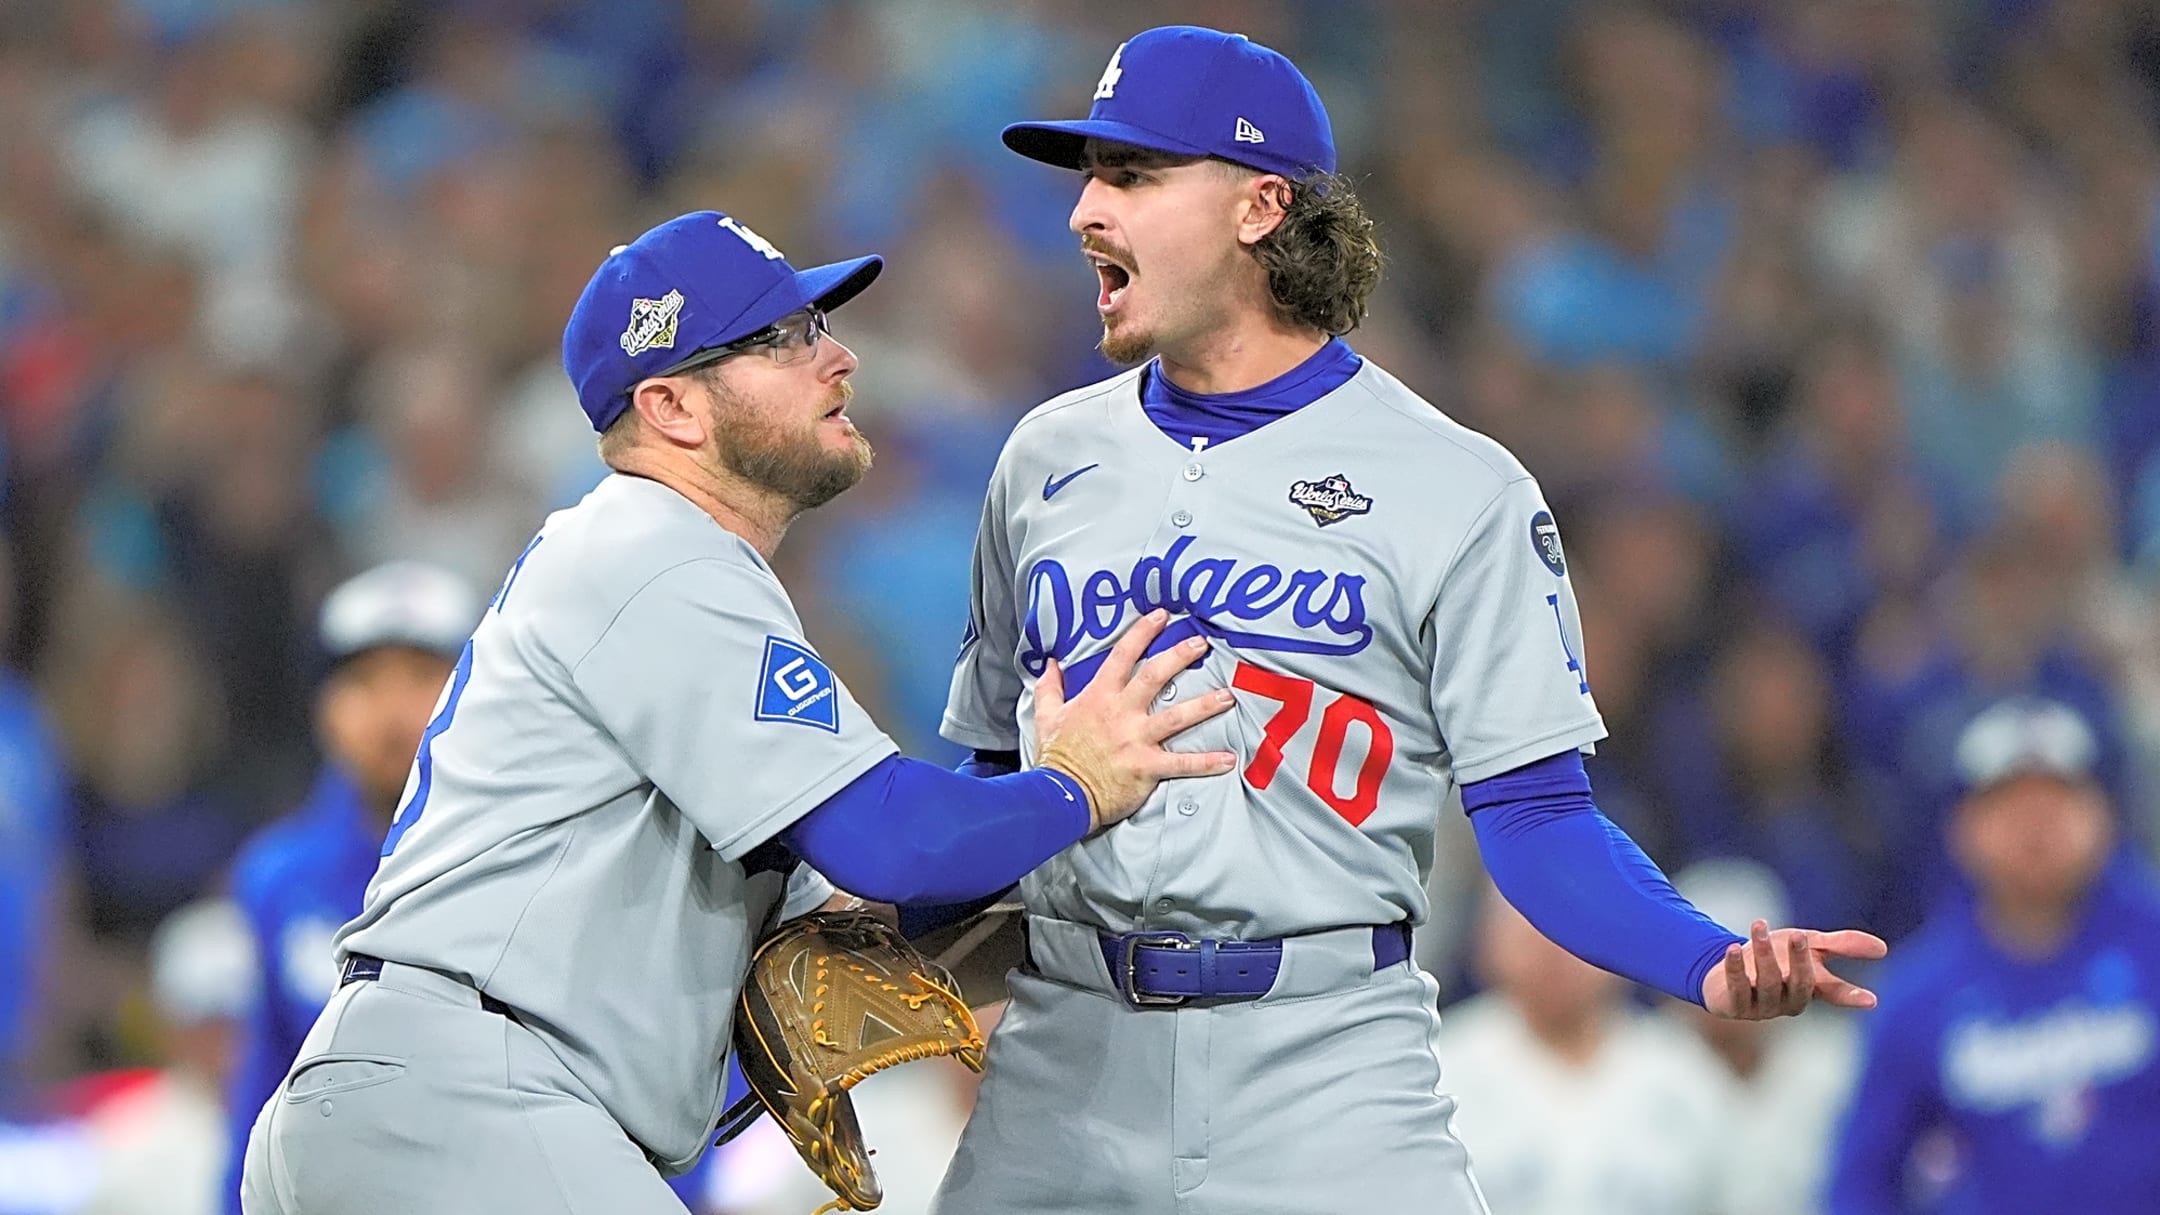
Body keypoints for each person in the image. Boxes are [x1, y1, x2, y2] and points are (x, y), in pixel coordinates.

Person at [937, 25, 1886, 1214]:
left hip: (1326, 1066)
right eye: (1089, 176)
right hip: (1062, 1062)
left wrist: (1702, 959)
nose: (1085, 210)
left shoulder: (1456, 486)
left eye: (1132, 174)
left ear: (1258, 206)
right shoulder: (1043, 460)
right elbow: (982, 778)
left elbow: (1539, 822)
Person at [238, 210, 1238, 1215]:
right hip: (468, 1103)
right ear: (672, 406)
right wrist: (1076, 785)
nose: (840, 358)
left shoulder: (656, 575)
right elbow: (892, 840)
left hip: (423, 1106)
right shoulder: (654, 550)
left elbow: (869, 903)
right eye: (785, 338)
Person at [1828, 698, 2160, 1214]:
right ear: (1961, 829)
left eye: (2058, 801)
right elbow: (1859, 1184)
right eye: (2009, 805)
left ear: (2104, 816)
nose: (2036, 826)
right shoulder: (1916, 996)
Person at [219, 561, 479, 1215]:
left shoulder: (534, 860)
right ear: (323, 710)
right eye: (363, 682)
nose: (392, 711)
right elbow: (264, 1082)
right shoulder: (277, 879)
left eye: (422, 678)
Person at [1438, 886, 1728, 1215]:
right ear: (1488, 945)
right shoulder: (1437, 1072)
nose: (1554, 952)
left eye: (1574, 934)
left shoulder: (1686, 1075)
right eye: (1531, 934)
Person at [1670, 859, 1860, 1215]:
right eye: (1714, 968)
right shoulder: (1639, 1060)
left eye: (1754, 966)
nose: (1739, 984)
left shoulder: (1840, 1061)